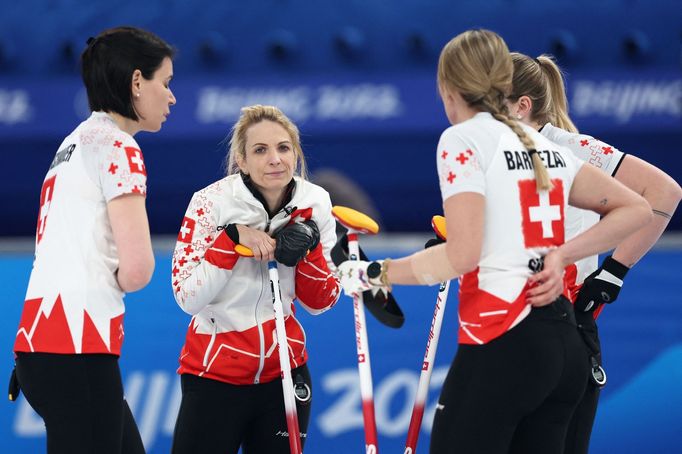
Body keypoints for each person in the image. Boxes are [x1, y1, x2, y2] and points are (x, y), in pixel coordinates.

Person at [336, 29, 653, 454]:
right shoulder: (542, 143)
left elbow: (461, 256)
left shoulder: (462, 139)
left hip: (503, 338)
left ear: (448, 89)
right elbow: (637, 208)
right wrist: (560, 257)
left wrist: (376, 273)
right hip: (564, 346)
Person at [507, 52, 682, 454]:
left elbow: (664, 192)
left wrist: (614, 272)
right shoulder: (497, 158)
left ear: (522, 105)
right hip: (512, 324)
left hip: (563, 322)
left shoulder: (566, 146)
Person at [11, 26, 176, 454]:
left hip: (40, 349)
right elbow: (138, 271)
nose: (171, 96)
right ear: (137, 82)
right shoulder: (119, 147)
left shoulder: (71, 145)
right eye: (166, 82)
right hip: (77, 350)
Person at [170, 104, 340, 453]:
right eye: (260, 150)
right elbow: (187, 297)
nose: (274, 159)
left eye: (283, 148)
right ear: (242, 160)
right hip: (214, 376)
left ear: (296, 152)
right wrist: (230, 239)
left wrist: (308, 254)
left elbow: (321, 303)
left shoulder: (316, 202)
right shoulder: (209, 203)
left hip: (285, 375)